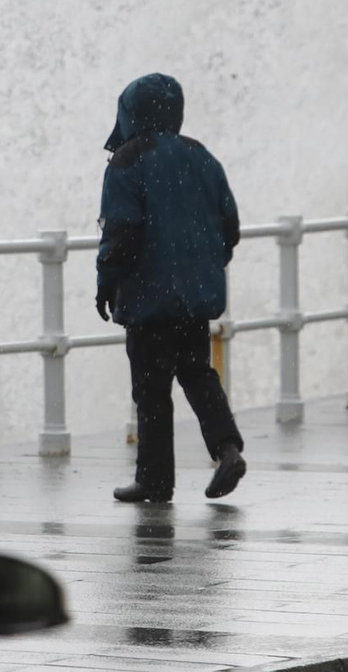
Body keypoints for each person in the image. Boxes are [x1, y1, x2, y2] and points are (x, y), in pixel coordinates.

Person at [94, 73, 246, 504]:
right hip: (193, 298)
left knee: (151, 387)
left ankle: (155, 479)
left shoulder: (128, 160)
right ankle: (227, 449)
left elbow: (121, 231)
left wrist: (107, 283)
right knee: (198, 374)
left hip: (147, 298)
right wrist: (203, 268)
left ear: (130, 112)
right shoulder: (202, 157)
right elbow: (229, 226)